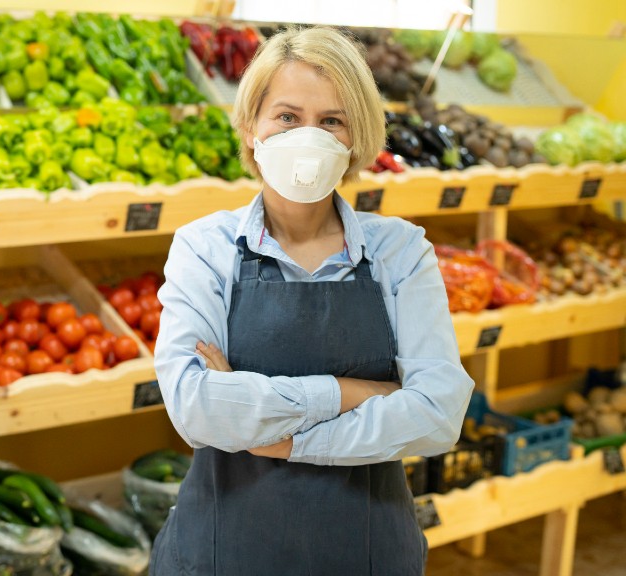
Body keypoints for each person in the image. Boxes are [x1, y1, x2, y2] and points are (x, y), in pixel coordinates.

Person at [149, 26, 474, 576]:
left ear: (355, 138)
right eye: (287, 117)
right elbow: (196, 407)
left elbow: (438, 415)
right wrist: (354, 392)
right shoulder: (204, 248)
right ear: (252, 128)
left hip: (366, 550)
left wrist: (281, 439)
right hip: (225, 549)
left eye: (332, 121)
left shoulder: (401, 250)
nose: (309, 136)